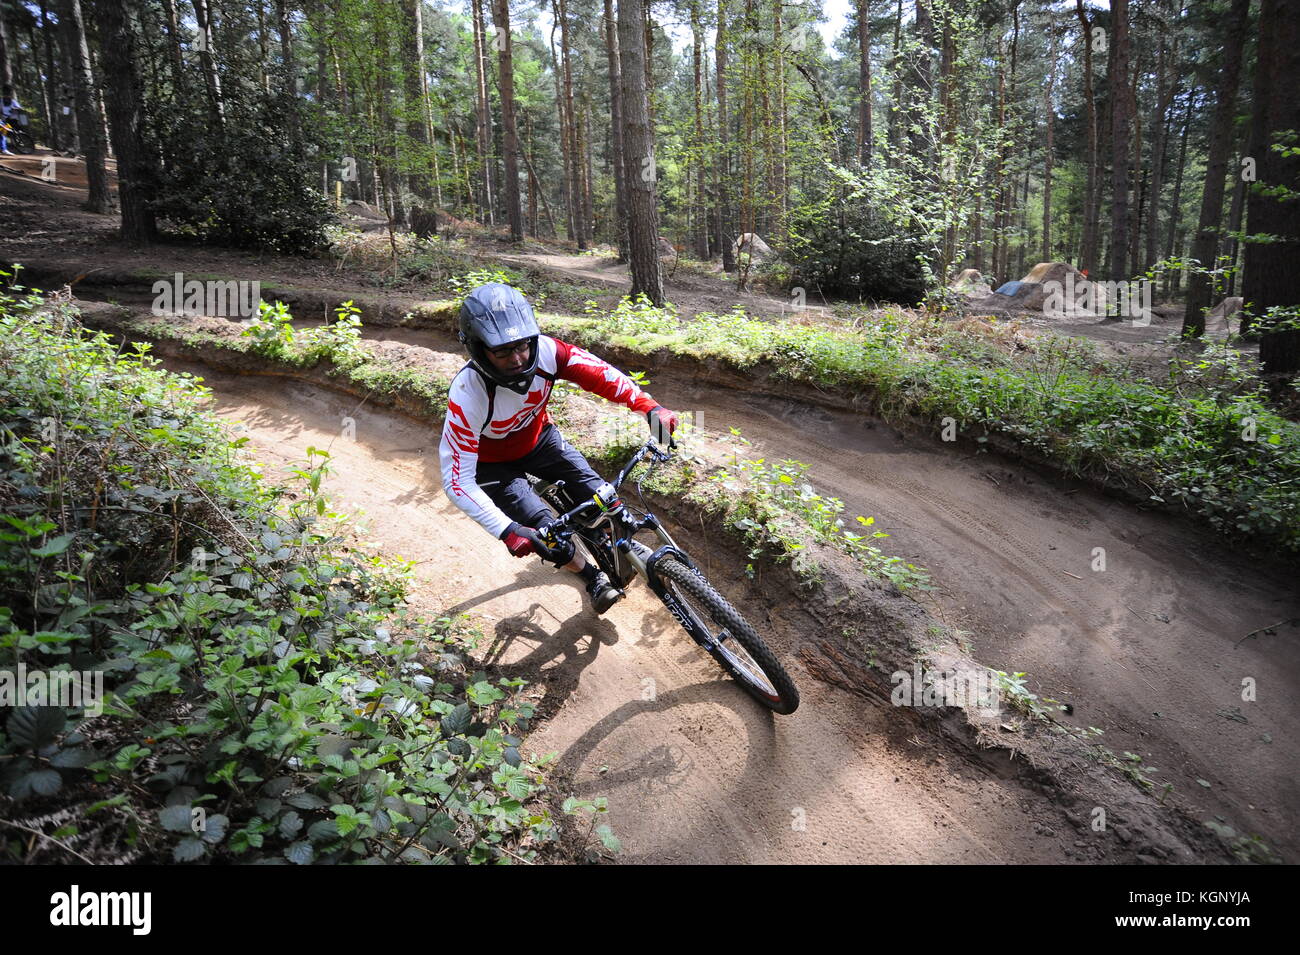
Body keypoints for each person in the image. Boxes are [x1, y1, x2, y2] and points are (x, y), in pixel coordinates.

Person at [440, 283, 679, 614]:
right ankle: (590, 575)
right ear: (479, 349)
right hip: (491, 465)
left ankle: (609, 540)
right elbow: (457, 479)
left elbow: (601, 375)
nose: (518, 358)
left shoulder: (549, 352)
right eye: (502, 352)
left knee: (602, 496)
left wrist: (648, 407)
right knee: (545, 534)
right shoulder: (468, 394)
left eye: (522, 345)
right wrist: (507, 530)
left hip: (539, 439)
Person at [0, 85, 21, 155]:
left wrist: (14, 109)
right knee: (4, 132)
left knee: (9, 132)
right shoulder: (1, 101)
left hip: (13, 120)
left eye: (8, 93)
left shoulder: (13, 101)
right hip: (5, 120)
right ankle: (4, 148)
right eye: (5, 93)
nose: (6, 95)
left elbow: (19, 108)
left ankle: (10, 145)